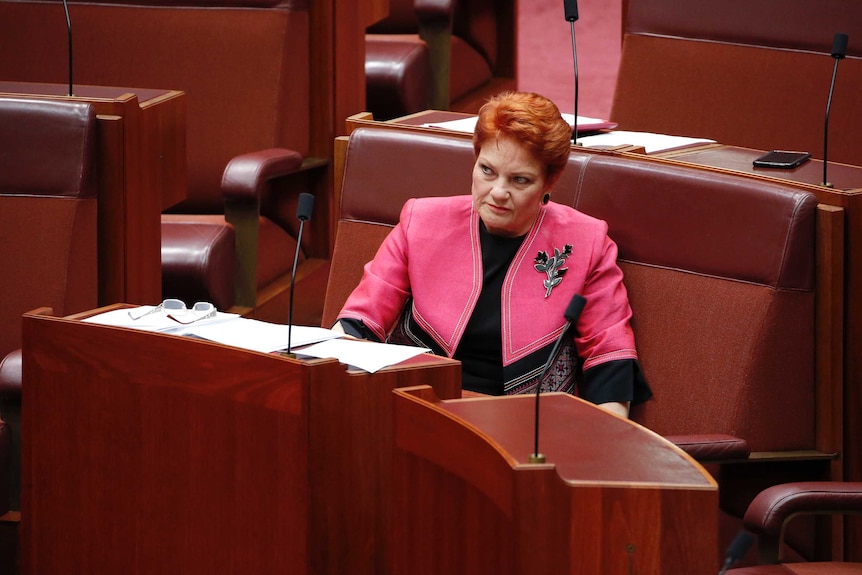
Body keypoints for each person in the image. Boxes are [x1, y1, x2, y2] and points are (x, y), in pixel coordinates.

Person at [333, 91, 651, 417]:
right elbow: (360, 321)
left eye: (520, 180)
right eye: (487, 171)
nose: (498, 192)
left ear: (549, 182)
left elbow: (609, 354)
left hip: (528, 429)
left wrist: (606, 441)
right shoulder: (421, 221)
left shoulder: (586, 242)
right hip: (417, 409)